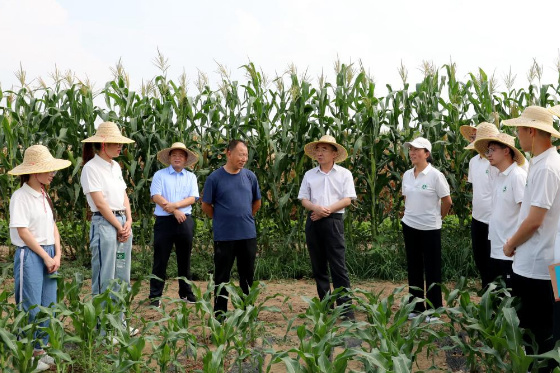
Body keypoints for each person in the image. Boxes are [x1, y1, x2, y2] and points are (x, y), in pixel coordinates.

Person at [502, 106, 560, 368]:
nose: (517, 135)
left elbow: (535, 221)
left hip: (537, 268)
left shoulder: (546, 168)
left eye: (519, 129)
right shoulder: (545, 163)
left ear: (532, 131)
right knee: (545, 333)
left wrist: (511, 243)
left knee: (538, 338)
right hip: (547, 264)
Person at [8, 145, 71, 372]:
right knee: (30, 306)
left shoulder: (44, 194)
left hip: (49, 254)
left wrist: (58, 253)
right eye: (49, 170)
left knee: (48, 304)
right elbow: (23, 232)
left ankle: (41, 350)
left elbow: (52, 225)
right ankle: (28, 353)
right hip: (31, 254)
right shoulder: (21, 196)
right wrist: (45, 256)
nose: (52, 174)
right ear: (35, 172)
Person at [80, 121, 138, 336]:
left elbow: (124, 195)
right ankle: (103, 329)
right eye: (116, 143)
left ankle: (119, 323)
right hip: (105, 224)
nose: (120, 147)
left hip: (122, 223)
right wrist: (118, 225)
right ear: (103, 144)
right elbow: (101, 203)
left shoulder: (116, 167)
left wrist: (128, 221)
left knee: (122, 276)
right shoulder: (91, 168)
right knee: (105, 278)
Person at [298, 135, 357, 319]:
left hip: (334, 222)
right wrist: (315, 208)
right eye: (318, 149)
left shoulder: (344, 174)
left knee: (338, 266)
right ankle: (326, 306)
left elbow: (348, 199)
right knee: (318, 266)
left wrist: (327, 210)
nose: (320, 152)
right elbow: (303, 199)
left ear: (334, 153)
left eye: (324, 149)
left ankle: (346, 310)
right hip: (314, 220)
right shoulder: (309, 175)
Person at [201, 139, 262, 319]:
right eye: (241, 154)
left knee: (247, 277)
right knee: (222, 278)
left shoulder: (250, 177)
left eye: (246, 155)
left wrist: (245, 217)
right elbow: (206, 206)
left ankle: (246, 313)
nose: (244, 159)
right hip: (225, 236)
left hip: (247, 235)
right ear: (229, 153)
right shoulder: (215, 178)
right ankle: (220, 316)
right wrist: (222, 219)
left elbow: (256, 202)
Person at [401, 137, 452, 320]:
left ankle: (434, 309)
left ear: (427, 154)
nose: (412, 153)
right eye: (411, 149)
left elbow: (447, 201)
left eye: (417, 150)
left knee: (432, 269)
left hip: (430, 228)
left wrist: (438, 217)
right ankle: (416, 307)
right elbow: (406, 198)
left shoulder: (435, 176)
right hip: (410, 226)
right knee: (413, 268)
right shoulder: (407, 174)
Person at [149, 142, 199, 308]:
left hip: (185, 220)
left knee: (185, 259)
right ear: (169, 158)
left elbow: (193, 198)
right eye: (174, 155)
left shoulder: (191, 177)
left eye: (181, 155)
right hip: (164, 221)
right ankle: (154, 296)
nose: (177, 158)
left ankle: (186, 293)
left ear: (185, 159)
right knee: (160, 259)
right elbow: (156, 196)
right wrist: (174, 211)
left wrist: (175, 207)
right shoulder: (160, 175)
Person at [474, 133, 526, 289]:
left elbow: (526, 213)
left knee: (510, 302)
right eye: (488, 151)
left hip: (510, 252)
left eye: (492, 150)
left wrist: (514, 242)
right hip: (497, 249)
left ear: (506, 151)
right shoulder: (498, 177)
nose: (488, 155)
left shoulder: (517, 176)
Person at [460, 122, 499, 289]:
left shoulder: (496, 163)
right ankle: (486, 301)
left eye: (476, 136)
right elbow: (477, 189)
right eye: (472, 136)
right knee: (481, 260)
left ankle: (498, 302)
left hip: (494, 220)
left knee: (494, 263)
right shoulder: (473, 162)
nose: (472, 138)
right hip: (477, 219)